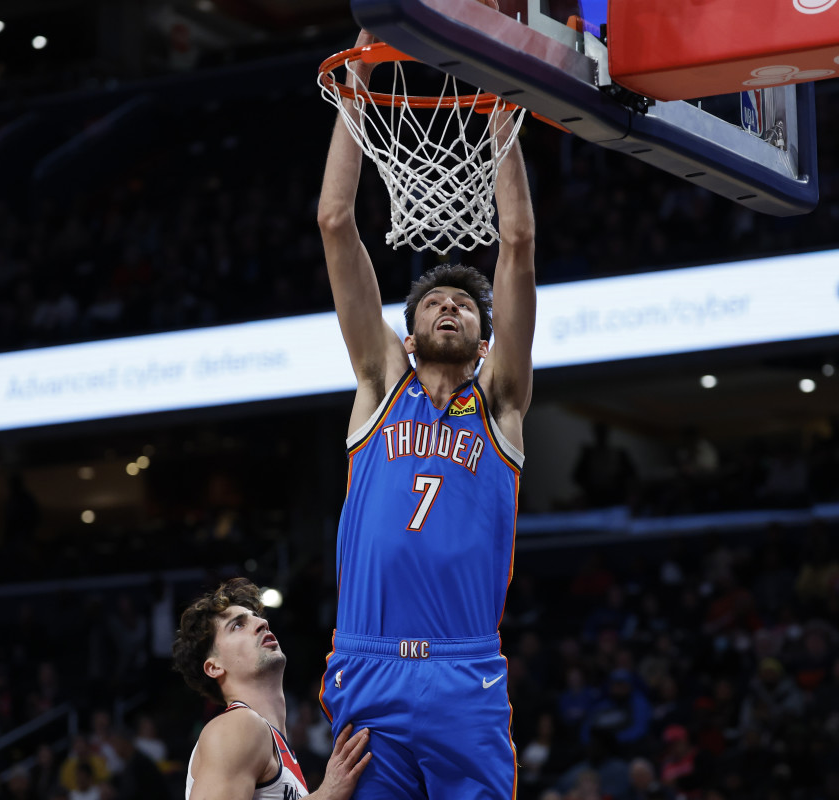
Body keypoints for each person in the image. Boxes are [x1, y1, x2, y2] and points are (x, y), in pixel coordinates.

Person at [315, 13, 536, 799]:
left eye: (464, 306)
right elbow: (335, 223)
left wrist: (503, 108)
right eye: (434, 302)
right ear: (407, 337)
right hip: (367, 665)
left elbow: (517, 245)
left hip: (462, 671)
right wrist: (358, 87)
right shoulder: (382, 386)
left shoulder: (500, 405)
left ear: (485, 340)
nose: (449, 307)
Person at [172, 578, 371, 800]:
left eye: (256, 617)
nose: (262, 623)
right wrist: (325, 795)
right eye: (238, 625)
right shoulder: (237, 725)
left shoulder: (272, 742)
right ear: (214, 667)